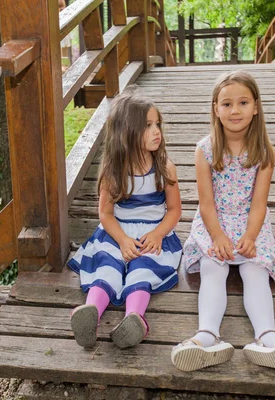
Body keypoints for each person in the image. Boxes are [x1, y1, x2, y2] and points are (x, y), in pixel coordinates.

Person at [171, 71, 275, 373]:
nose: (235, 110)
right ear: (215, 109)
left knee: (255, 269)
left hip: (250, 222)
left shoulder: (264, 152)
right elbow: (206, 204)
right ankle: (207, 337)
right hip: (214, 221)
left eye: (243, 102)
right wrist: (218, 236)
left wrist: (250, 235)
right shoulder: (205, 150)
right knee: (212, 267)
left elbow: (259, 204)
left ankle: (268, 338)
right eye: (227, 104)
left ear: (256, 107)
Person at [68, 90, 182, 349]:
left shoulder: (165, 168)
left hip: (153, 234)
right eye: (148, 126)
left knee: (142, 269)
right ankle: (90, 313)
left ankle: (135, 318)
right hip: (115, 232)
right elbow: (106, 214)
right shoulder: (113, 171)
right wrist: (121, 240)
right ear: (127, 132)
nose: (157, 132)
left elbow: (174, 210)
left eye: (157, 125)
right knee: (108, 268)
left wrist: (158, 234)